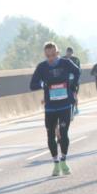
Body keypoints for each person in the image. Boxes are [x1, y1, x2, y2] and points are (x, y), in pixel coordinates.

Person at [30, 42, 81, 176]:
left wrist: (72, 85)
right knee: (50, 136)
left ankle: (64, 160)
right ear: (45, 55)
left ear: (57, 53)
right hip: (51, 107)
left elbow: (77, 71)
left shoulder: (66, 63)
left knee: (63, 134)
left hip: (65, 105)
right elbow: (32, 84)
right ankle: (56, 163)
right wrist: (42, 84)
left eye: (53, 54)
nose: (51, 58)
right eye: (48, 55)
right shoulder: (42, 67)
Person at [64, 47, 82, 115]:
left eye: (70, 52)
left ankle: (76, 108)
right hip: (66, 81)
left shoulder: (76, 59)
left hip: (75, 81)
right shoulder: (63, 59)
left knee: (74, 94)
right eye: (67, 52)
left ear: (72, 53)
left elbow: (79, 70)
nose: (68, 54)